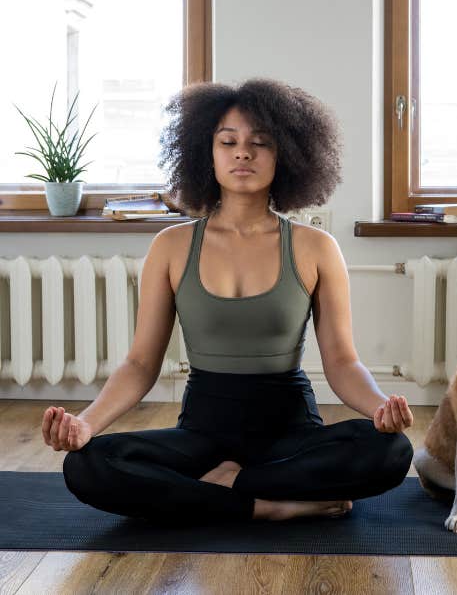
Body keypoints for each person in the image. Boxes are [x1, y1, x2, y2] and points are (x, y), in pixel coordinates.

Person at [42, 77, 414, 525]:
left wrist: (378, 409)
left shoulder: (316, 248)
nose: (243, 153)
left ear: (288, 156)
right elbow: (141, 364)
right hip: (202, 432)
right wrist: (86, 423)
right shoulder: (171, 246)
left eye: (260, 143)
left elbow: (341, 362)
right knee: (86, 464)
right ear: (207, 153)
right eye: (228, 141)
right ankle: (265, 503)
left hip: (290, 431)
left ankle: (224, 489)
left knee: (392, 450)